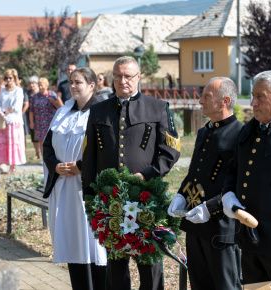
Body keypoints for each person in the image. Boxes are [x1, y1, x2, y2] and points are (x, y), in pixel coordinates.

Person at [82, 56, 180, 290]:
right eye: (118, 76)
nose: (122, 80)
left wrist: (148, 174)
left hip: (146, 196)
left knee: (149, 258)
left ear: (138, 77)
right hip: (110, 198)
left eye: (128, 76)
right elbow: (89, 156)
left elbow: (171, 149)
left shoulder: (158, 107)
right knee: (116, 261)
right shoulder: (98, 111)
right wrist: (90, 197)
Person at [222, 70, 271, 284]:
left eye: (260, 97)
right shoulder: (251, 129)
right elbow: (234, 168)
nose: (253, 102)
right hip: (251, 240)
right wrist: (228, 195)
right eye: (252, 96)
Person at [168, 77, 243, 290]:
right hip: (195, 224)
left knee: (225, 285)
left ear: (225, 101)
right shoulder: (204, 132)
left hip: (221, 227)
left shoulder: (241, 134)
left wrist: (210, 208)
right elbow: (194, 173)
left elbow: (240, 184)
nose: (200, 101)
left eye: (206, 97)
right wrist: (181, 194)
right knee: (199, 284)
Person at [43, 67, 107, 290]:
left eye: (78, 82)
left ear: (91, 86)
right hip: (64, 188)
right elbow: (47, 146)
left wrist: (81, 166)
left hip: (87, 189)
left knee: (92, 242)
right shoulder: (62, 112)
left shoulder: (101, 112)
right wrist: (55, 166)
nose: (72, 86)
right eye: (71, 82)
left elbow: (106, 149)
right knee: (72, 240)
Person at [0, 69, 26, 174]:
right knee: (1, 143)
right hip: (3, 121)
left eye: (10, 78)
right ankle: (1, 164)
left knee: (13, 144)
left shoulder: (18, 90)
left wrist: (5, 112)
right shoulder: (3, 90)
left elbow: (17, 106)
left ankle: (12, 166)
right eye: (6, 78)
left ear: (14, 78)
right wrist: (0, 111)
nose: (8, 80)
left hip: (14, 121)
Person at [29, 77, 58, 156]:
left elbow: (59, 107)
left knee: (51, 140)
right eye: (39, 85)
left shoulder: (52, 95)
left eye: (42, 85)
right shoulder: (35, 97)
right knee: (41, 141)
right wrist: (31, 122)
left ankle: (52, 157)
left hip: (50, 122)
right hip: (39, 123)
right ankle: (44, 159)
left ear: (46, 86)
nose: (40, 87)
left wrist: (54, 102)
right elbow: (31, 110)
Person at [27, 76, 41, 160]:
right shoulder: (28, 93)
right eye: (30, 84)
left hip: (42, 117)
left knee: (42, 137)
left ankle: (42, 153)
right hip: (31, 116)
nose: (32, 85)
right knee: (34, 136)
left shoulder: (42, 92)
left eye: (33, 83)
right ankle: (37, 153)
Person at [18, 74, 30, 142]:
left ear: (20, 80)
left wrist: (20, 114)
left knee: (22, 134)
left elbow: (26, 104)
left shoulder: (23, 90)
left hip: (22, 115)